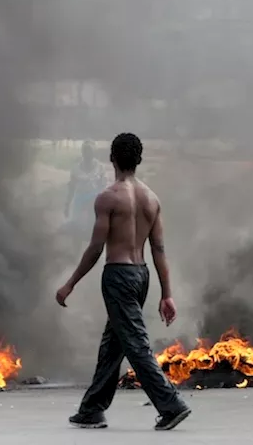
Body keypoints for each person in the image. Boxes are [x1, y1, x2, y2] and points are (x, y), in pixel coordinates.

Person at [55, 133, 191, 432]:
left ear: (112, 158)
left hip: (118, 275)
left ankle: (171, 405)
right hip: (141, 275)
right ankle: (91, 409)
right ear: (138, 160)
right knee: (113, 343)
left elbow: (95, 248)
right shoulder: (151, 199)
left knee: (134, 343)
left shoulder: (108, 197)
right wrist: (166, 294)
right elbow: (159, 249)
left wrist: (70, 283)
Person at [64, 141, 109, 231]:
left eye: (90, 151)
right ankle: (76, 242)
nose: (88, 154)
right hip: (80, 197)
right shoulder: (76, 168)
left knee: (96, 224)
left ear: (94, 153)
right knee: (75, 225)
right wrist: (67, 204)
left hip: (94, 197)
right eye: (85, 151)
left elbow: (103, 187)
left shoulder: (100, 167)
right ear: (82, 153)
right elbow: (72, 187)